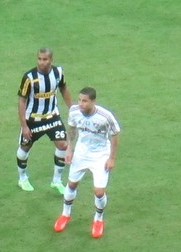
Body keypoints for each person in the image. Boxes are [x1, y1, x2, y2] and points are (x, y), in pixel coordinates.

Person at [53, 87, 120, 238]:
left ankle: (98, 219)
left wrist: (111, 158)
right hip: (82, 153)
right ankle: (65, 214)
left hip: (100, 155)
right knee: (71, 184)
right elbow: (72, 129)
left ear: (93, 102)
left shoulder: (105, 116)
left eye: (85, 101)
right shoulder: (74, 111)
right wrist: (69, 149)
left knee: (99, 191)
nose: (81, 104)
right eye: (79, 100)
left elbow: (115, 134)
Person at [16, 47, 73, 194]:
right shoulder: (29, 78)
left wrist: (73, 108)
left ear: (51, 60)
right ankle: (22, 179)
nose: (42, 62)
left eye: (45, 59)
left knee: (63, 145)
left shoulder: (58, 73)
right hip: (33, 120)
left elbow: (64, 89)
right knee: (25, 148)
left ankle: (57, 181)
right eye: (39, 59)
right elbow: (22, 101)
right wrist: (24, 126)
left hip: (52, 116)